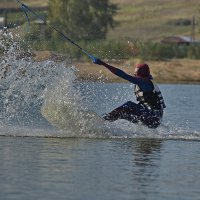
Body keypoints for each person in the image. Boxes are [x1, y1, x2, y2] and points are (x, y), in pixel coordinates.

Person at [93, 58, 166, 128]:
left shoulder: (145, 83)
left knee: (128, 105)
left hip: (154, 118)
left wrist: (103, 64)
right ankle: (103, 127)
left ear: (145, 77)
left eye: (137, 76)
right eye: (135, 76)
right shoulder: (145, 81)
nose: (136, 78)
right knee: (123, 113)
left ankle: (103, 120)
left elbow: (123, 75)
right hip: (152, 119)